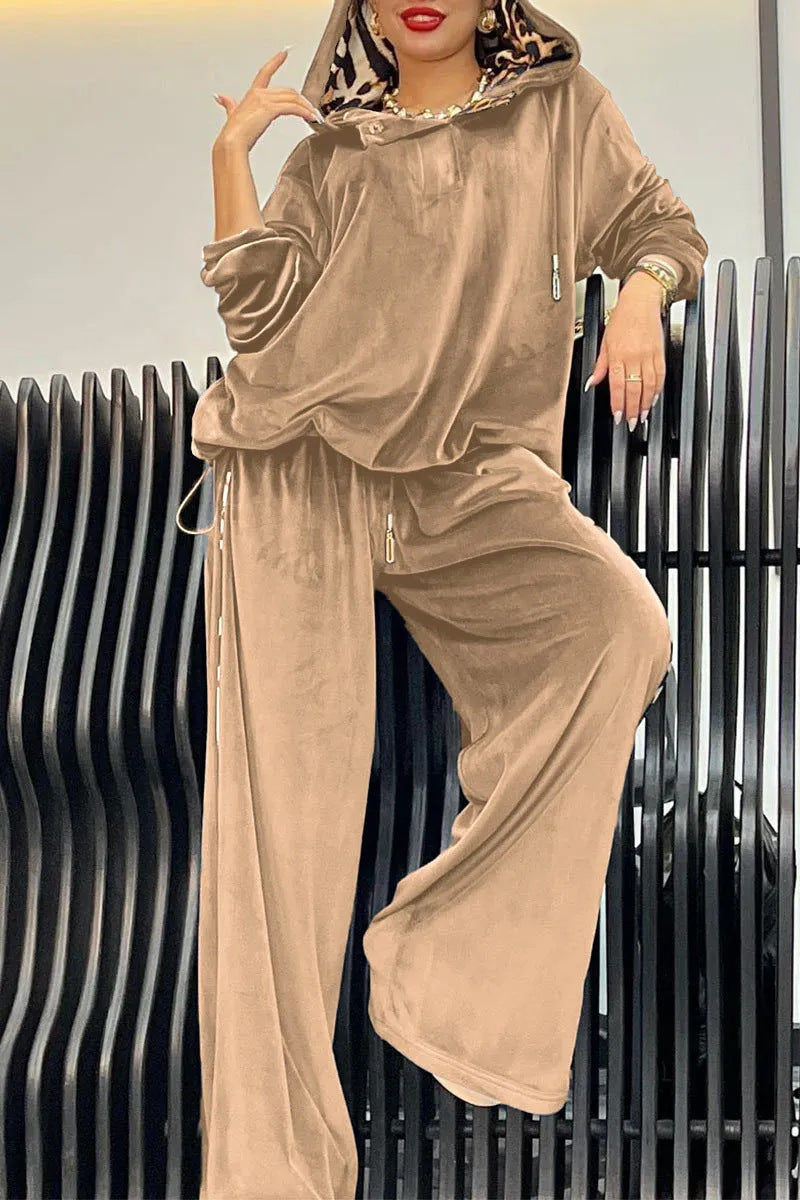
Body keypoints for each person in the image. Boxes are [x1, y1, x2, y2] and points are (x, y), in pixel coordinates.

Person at [176, 2, 708, 1197]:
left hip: (471, 480)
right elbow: (255, 316)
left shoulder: (559, 112)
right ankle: (268, 1179)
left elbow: (659, 224)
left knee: (615, 629)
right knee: (277, 832)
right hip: (300, 472)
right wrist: (232, 159)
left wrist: (638, 296)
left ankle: (440, 968)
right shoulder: (331, 155)